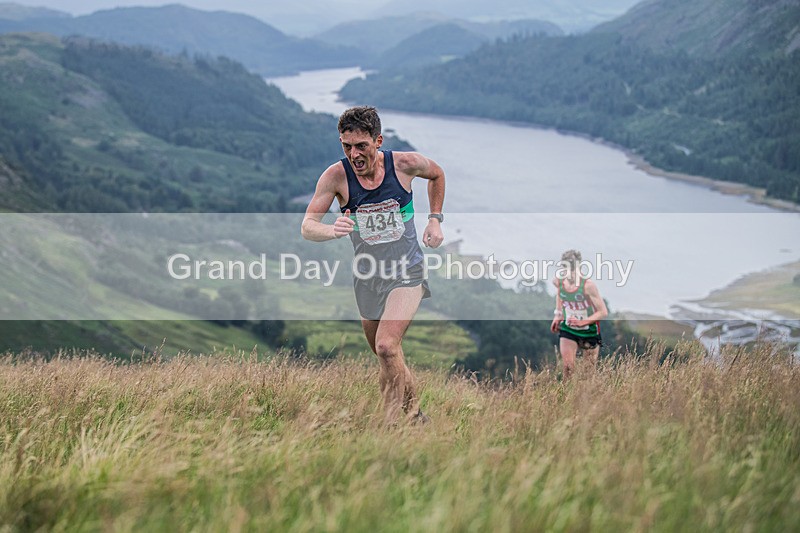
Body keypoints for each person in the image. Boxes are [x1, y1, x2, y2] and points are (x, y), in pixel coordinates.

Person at [301, 106, 445, 425]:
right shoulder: (336, 177)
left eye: (361, 146)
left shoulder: (404, 165)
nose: (353, 154)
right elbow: (307, 225)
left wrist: (435, 219)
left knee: (386, 345)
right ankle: (417, 417)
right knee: (387, 358)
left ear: (377, 141)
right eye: (346, 146)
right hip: (367, 278)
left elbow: (436, 174)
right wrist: (331, 230)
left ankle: (391, 425)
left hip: (407, 272)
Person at [550, 249, 608, 378]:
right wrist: (558, 314)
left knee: (587, 375)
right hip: (568, 328)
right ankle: (566, 397)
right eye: (565, 269)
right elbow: (560, 293)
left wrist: (583, 322)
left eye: (572, 269)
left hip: (589, 331)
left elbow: (603, 312)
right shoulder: (558, 281)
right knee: (568, 369)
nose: (568, 273)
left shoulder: (588, 286)